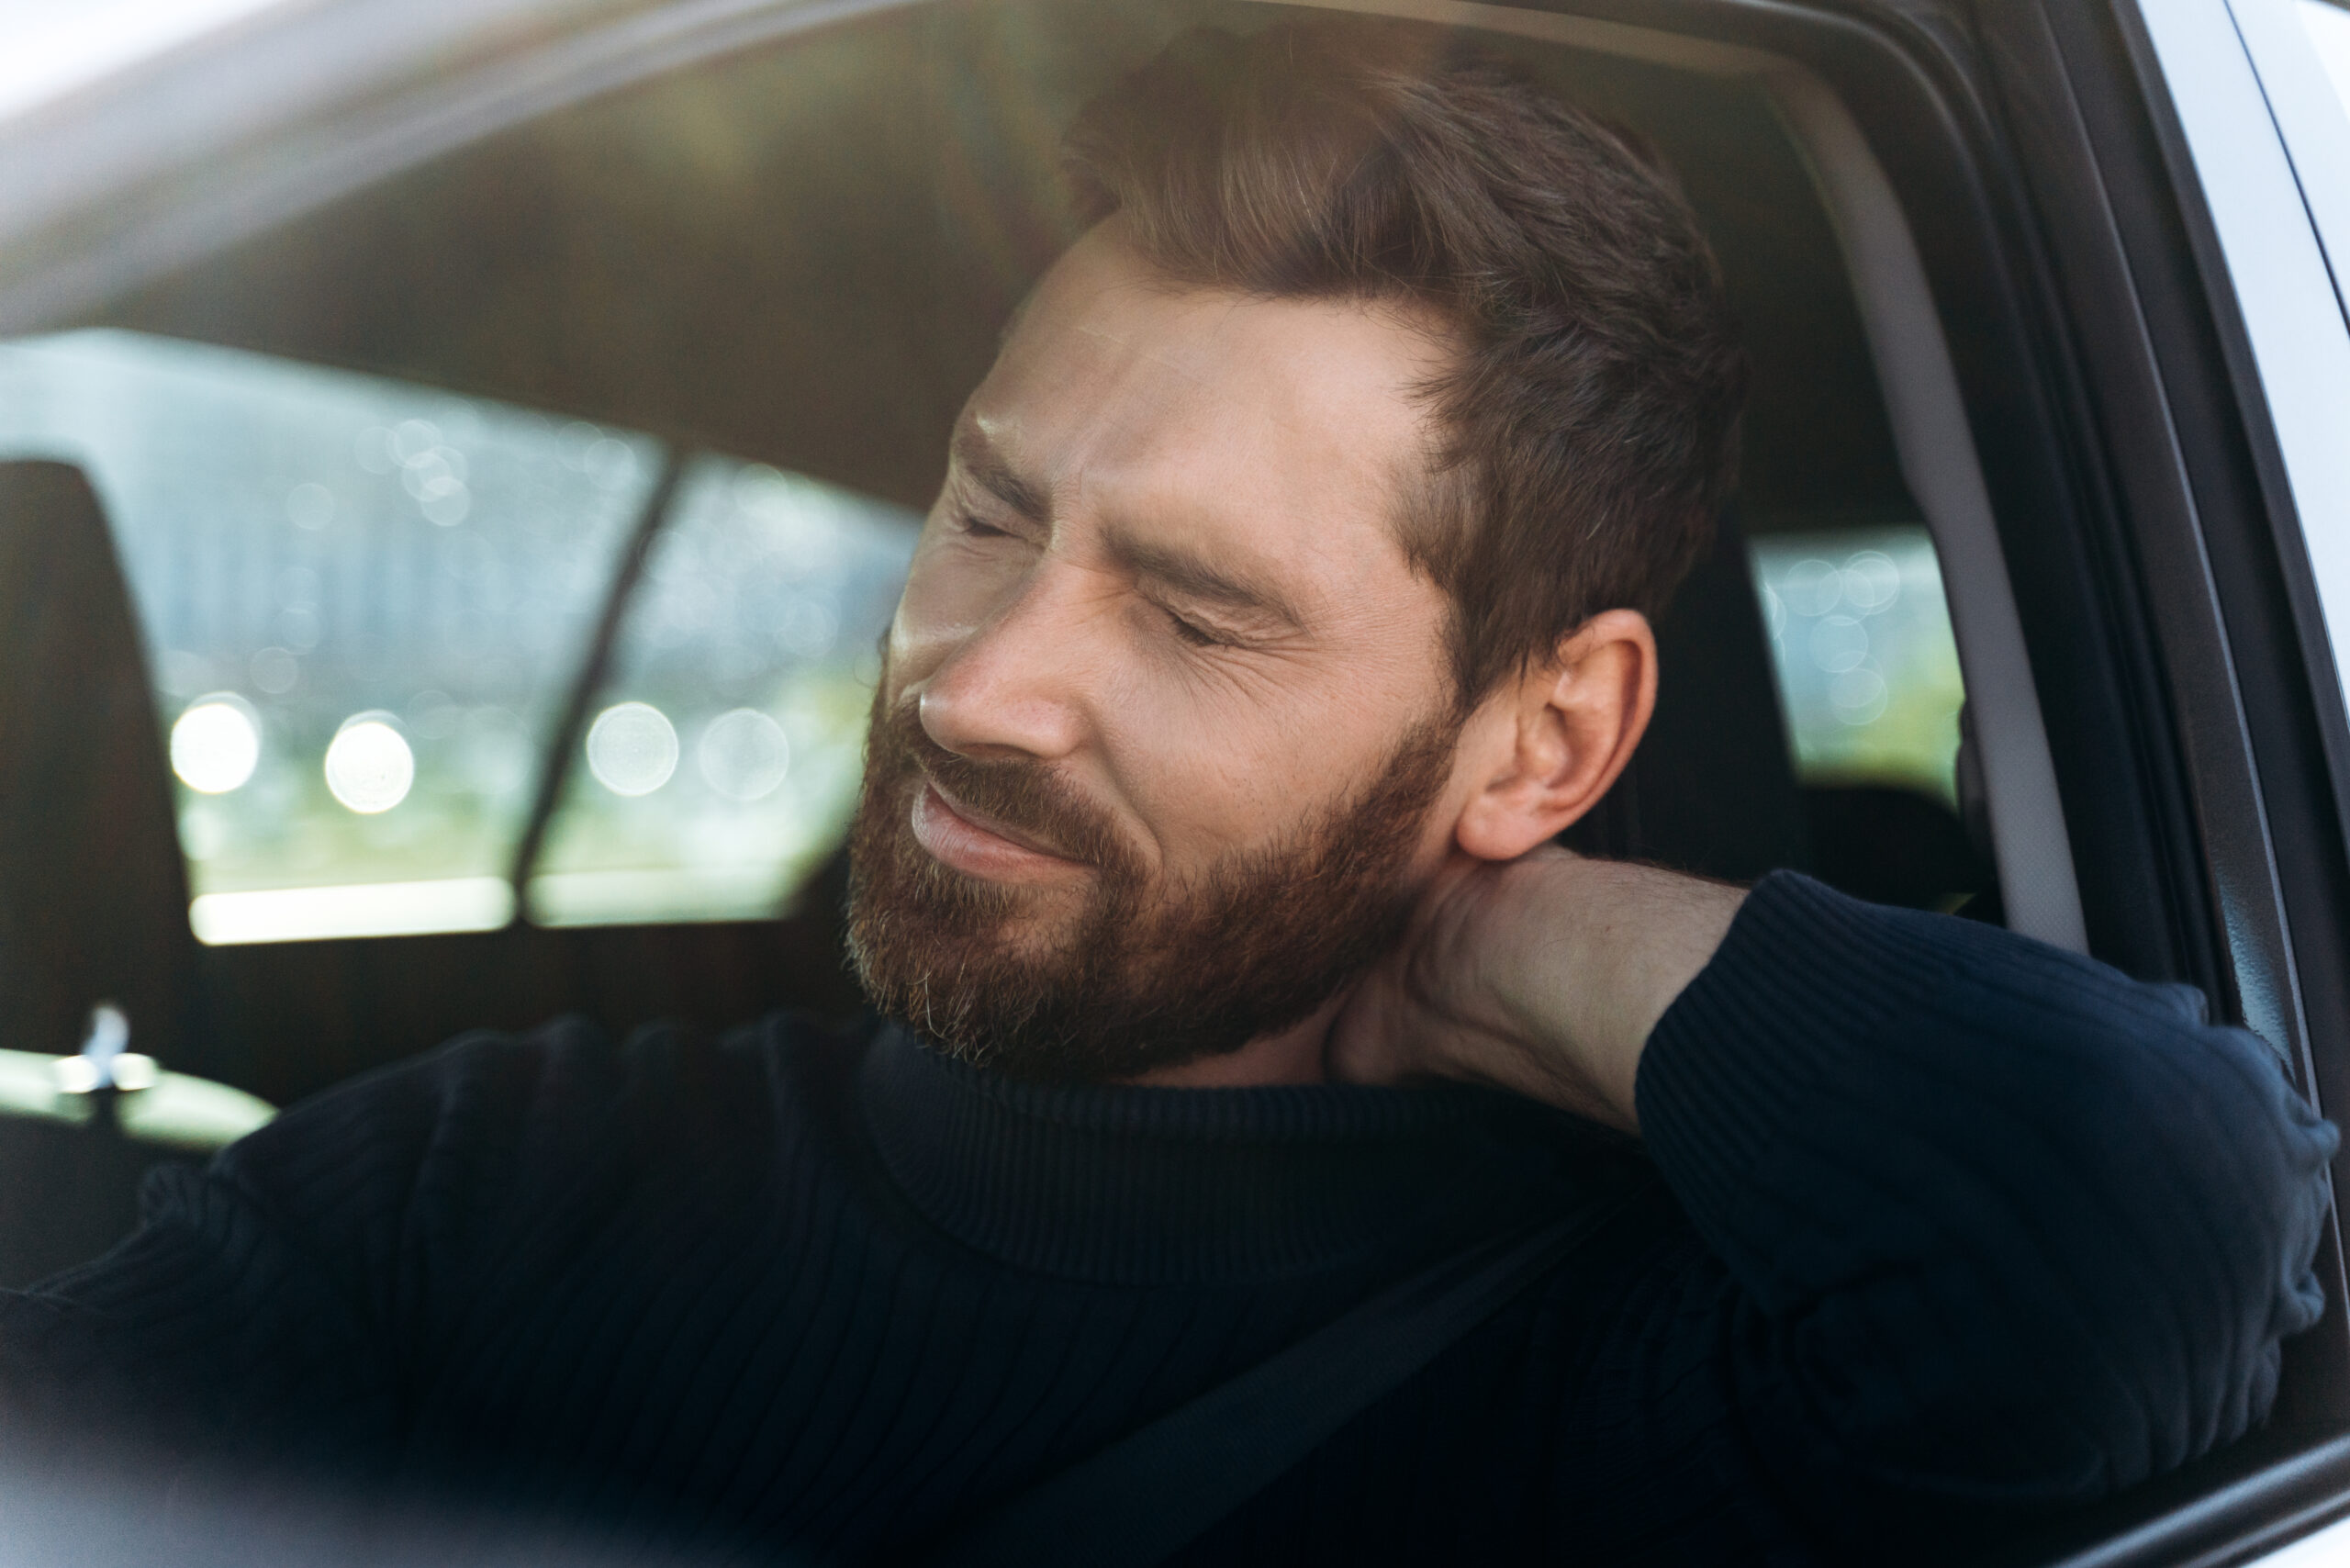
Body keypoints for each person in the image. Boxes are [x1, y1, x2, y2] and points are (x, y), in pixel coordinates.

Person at [0, 18, 2334, 1567]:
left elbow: (2144, 1211)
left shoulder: (1644, 1367)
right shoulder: (471, 1188)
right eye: (989, 509)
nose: (978, 679)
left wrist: (1466, 922)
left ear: (1543, 740)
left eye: (1197, 610)